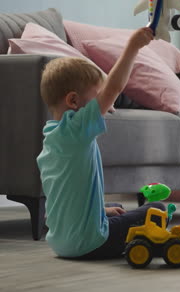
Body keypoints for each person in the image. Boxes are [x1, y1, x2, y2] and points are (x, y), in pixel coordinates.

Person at [37, 27, 166, 259]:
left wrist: (102, 211)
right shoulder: (76, 128)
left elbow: (62, 199)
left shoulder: (53, 137)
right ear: (74, 101)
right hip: (91, 244)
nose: (103, 104)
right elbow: (114, 87)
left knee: (114, 206)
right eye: (97, 96)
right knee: (157, 210)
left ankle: (103, 219)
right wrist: (133, 46)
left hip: (59, 242)